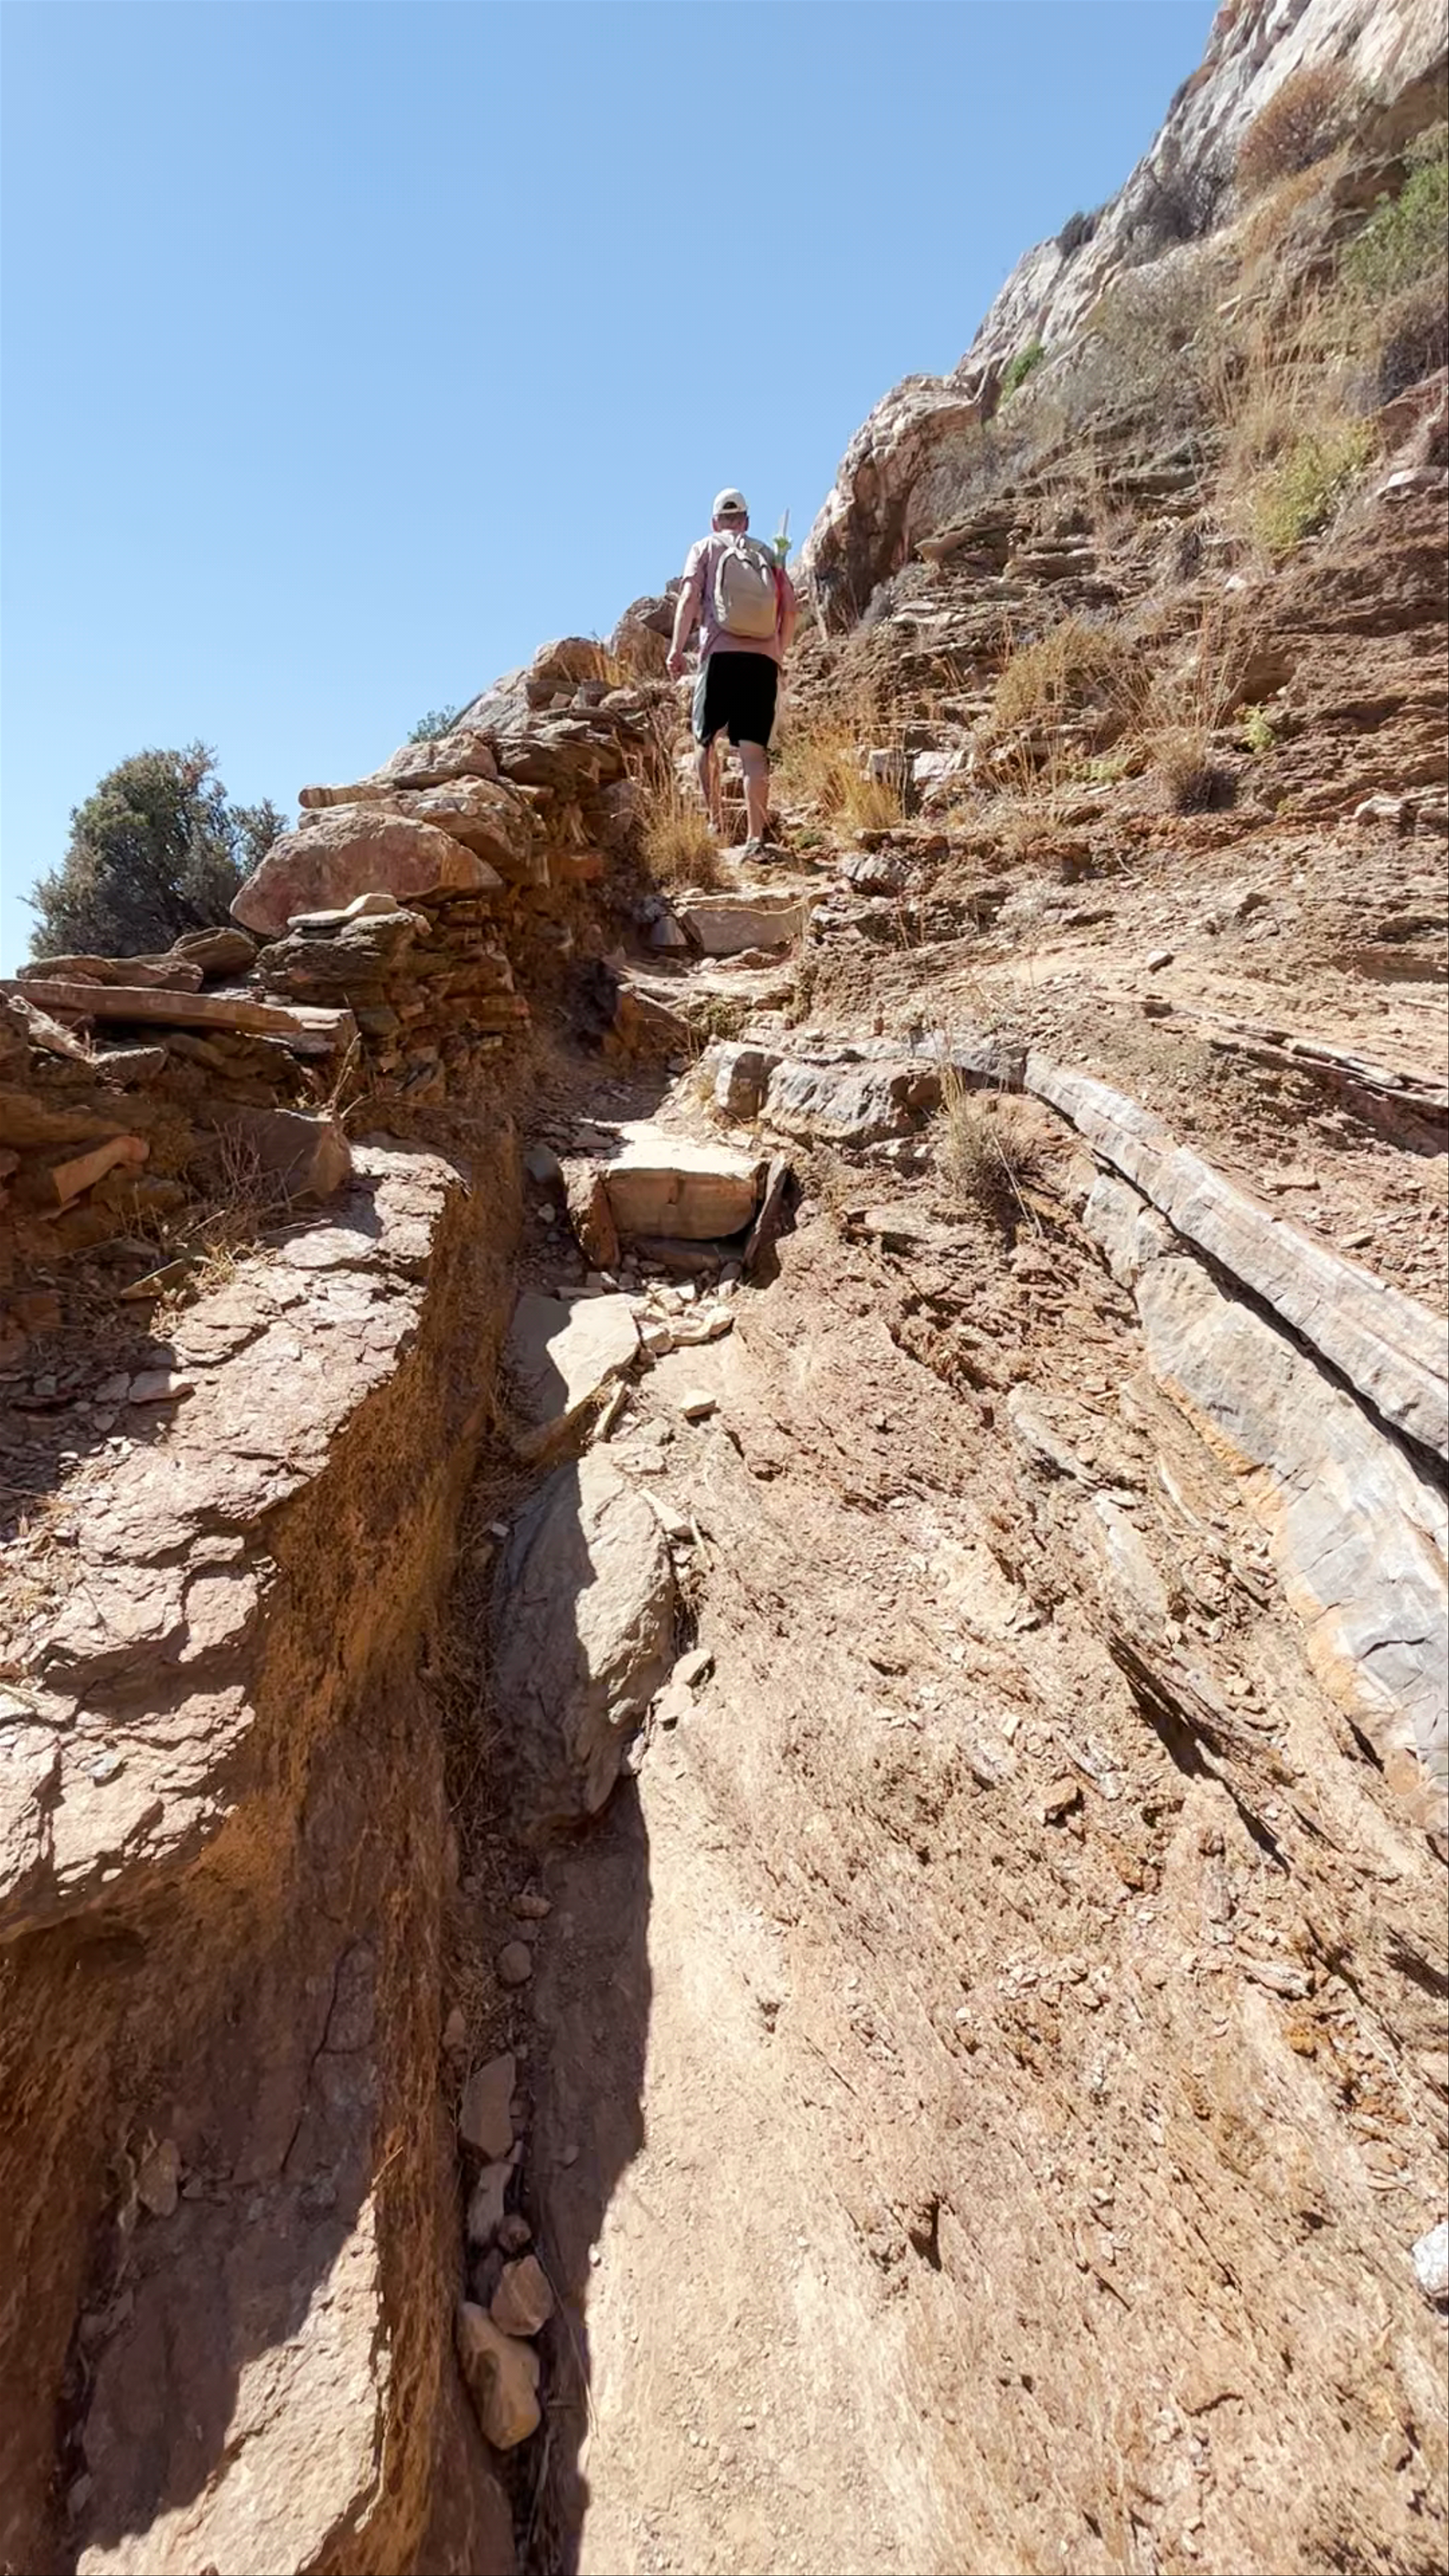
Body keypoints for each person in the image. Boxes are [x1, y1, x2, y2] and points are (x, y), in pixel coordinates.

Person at [666, 488, 797, 857]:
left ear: (715, 522)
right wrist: (778, 652)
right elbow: (790, 609)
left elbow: (689, 599)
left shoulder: (704, 548)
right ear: (747, 521)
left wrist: (676, 649)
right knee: (754, 753)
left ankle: (716, 823)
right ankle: (756, 840)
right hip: (763, 661)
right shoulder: (767, 553)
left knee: (705, 740)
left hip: (719, 656)